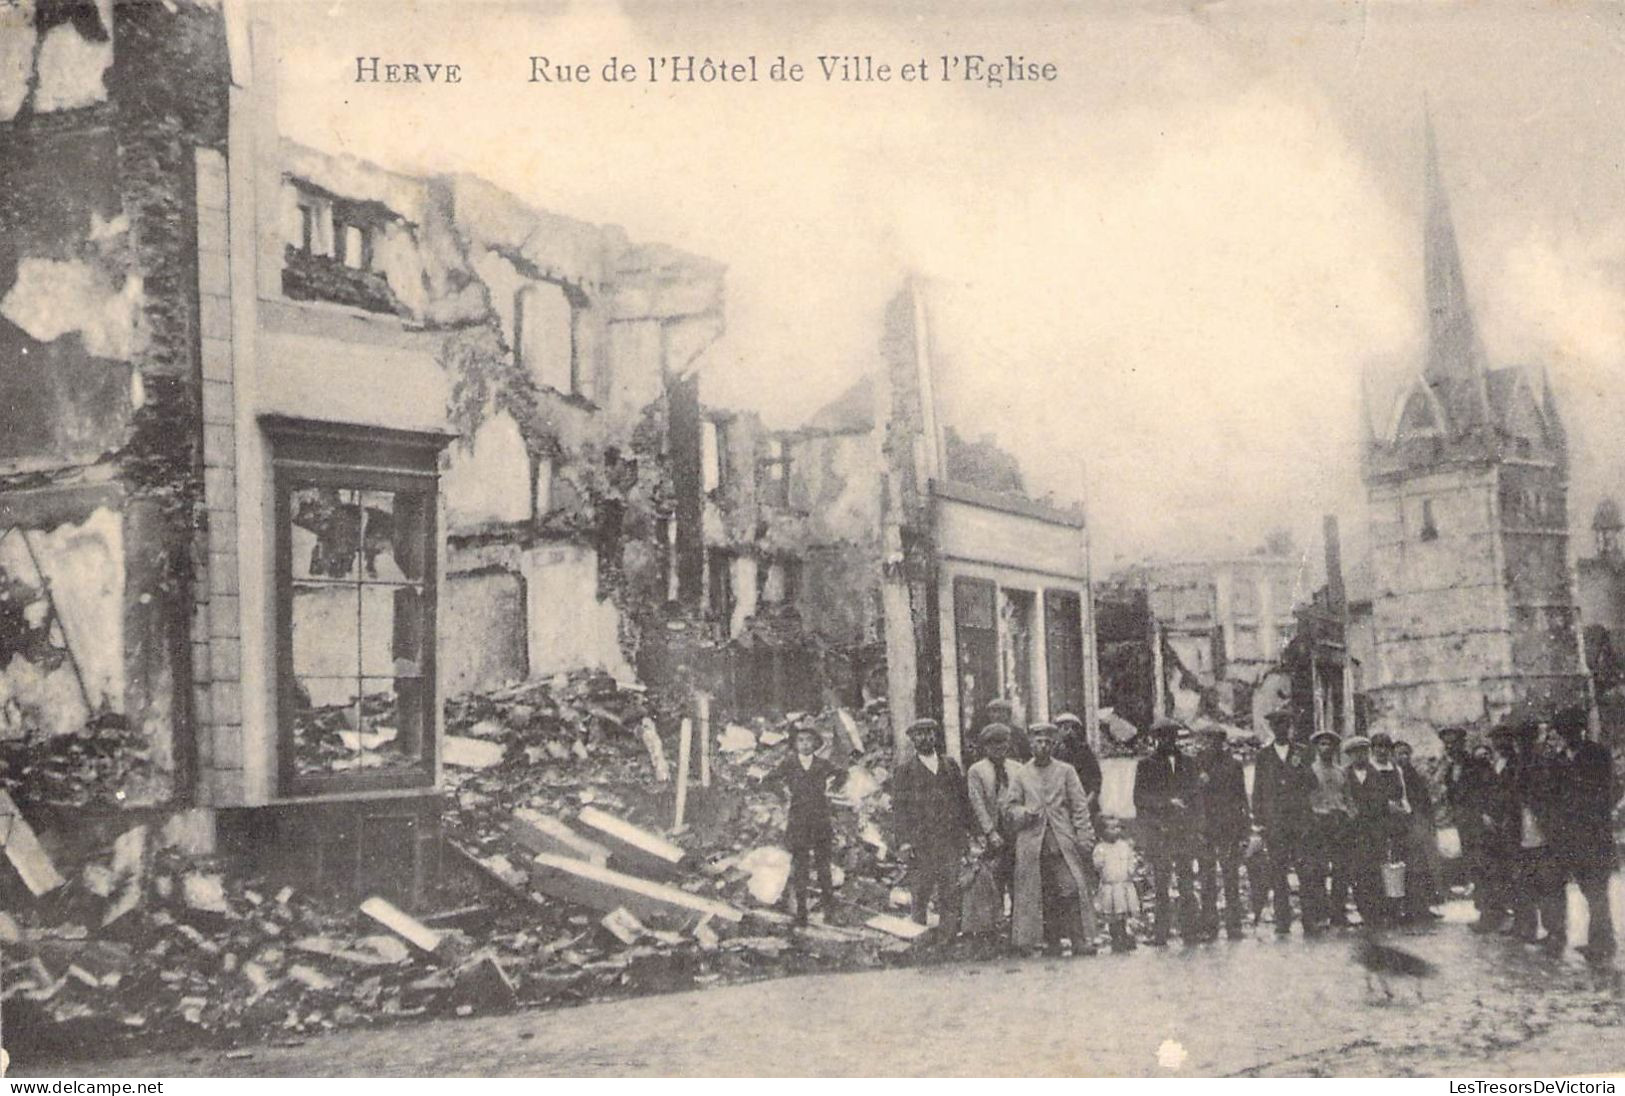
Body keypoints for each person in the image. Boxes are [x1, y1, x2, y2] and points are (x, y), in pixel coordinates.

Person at [1008, 722, 1098, 956]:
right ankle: (1052, 942)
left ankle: (1078, 939)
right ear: (1031, 744)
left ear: (1054, 744)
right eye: (1038, 741)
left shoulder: (1066, 771)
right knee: (1043, 892)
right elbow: (1010, 806)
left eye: (1048, 742)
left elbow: (1079, 806)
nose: (1043, 746)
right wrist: (1023, 814)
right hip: (1032, 842)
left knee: (1070, 888)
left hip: (1061, 840)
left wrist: (1084, 836)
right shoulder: (1021, 773)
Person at [894, 717, 973, 938]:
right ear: (912, 739)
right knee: (921, 891)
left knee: (950, 889)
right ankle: (918, 938)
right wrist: (904, 841)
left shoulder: (950, 765)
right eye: (919, 734)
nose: (925, 737)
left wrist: (967, 835)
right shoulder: (905, 771)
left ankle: (947, 939)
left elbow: (962, 801)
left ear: (935, 736)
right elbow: (899, 810)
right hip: (922, 842)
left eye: (929, 732)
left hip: (949, 839)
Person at [1551, 706, 1617, 963]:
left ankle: (1602, 942)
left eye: (1571, 729)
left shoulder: (1596, 754)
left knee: (1596, 888)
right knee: (1589, 889)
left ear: (1580, 729)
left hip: (1594, 832)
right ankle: (1599, 939)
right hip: (1573, 835)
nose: (1567, 734)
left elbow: (1607, 790)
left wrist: (1593, 812)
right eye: (1563, 730)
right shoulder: (1561, 757)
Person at [1134, 717, 1199, 945]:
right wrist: (1167, 802)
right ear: (1156, 739)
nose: (1168, 741)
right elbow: (1140, 798)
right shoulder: (1146, 765)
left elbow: (1197, 795)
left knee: (1186, 883)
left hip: (1184, 832)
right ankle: (1160, 934)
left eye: (1171, 736)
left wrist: (1190, 816)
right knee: (1161, 885)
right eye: (1162, 736)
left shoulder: (1190, 763)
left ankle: (1190, 932)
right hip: (1160, 832)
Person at [1251, 709, 1314, 935]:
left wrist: (1300, 767)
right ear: (1272, 728)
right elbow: (1258, 790)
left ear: (1290, 727)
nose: (1281, 729)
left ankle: (1310, 919)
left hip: (1299, 823)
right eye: (1276, 725)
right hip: (1274, 824)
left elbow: (1311, 784)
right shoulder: (1263, 755)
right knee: (1277, 874)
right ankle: (1282, 921)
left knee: (1305, 873)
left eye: (1284, 724)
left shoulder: (1302, 752)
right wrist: (1259, 820)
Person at [1509, 720, 1566, 951]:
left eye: (1526, 739)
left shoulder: (1544, 761)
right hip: (1523, 827)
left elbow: (1550, 794)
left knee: (1550, 883)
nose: (1523, 744)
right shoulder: (1520, 762)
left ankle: (1555, 931)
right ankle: (1533, 927)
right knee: (1529, 882)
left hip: (1543, 829)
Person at [776, 723, 838, 925]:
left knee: (823, 867)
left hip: (820, 820)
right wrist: (782, 793)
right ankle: (801, 912)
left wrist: (832, 788)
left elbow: (842, 774)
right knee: (800, 867)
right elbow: (767, 780)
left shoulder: (822, 764)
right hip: (799, 820)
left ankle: (829, 912)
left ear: (816, 743)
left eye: (809, 740)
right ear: (795, 743)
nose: (805, 744)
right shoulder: (788, 764)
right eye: (800, 740)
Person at [1192, 725, 1250, 941]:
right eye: (1207, 740)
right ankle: (1209, 925)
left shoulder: (1233, 765)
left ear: (1222, 742)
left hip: (1229, 827)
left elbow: (1241, 797)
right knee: (1207, 878)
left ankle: (1234, 925)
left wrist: (1244, 828)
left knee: (1230, 876)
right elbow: (1192, 795)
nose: (1211, 744)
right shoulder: (1196, 764)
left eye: (1215, 740)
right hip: (1205, 827)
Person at [1439, 724, 1498, 928]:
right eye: (1446, 744)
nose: (1449, 747)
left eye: (1453, 743)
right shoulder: (1450, 769)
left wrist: (1486, 814)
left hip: (1479, 824)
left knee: (1485, 866)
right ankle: (1483, 910)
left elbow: (1489, 791)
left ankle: (1491, 913)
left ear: (1462, 743)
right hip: (1464, 825)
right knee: (1474, 867)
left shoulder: (1476, 765)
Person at [965, 722, 1021, 915]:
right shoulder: (976, 770)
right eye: (993, 744)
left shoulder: (1017, 768)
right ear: (985, 747)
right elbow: (977, 803)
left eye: (1002, 742)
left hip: (1014, 832)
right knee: (993, 878)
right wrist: (990, 832)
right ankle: (994, 924)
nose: (998, 748)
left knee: (1017, 879)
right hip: (991, 834)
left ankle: (1016, 927)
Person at [1303, 728, 1354, 931]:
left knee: (1341, 869)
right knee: (1319, 869)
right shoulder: (1310, 771)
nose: (1326, 748)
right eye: (1322, 744)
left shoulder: (1341, 772)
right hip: (1319, 821)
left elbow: (1348, 798)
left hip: (1339, 821)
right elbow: (1305, 798)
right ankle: (1320, 913)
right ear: (1316, 747)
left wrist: (1349, 816)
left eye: (1330, 744)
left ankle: (1338, 913)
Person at [1393, 739, 1443, 920]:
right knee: (1404, 868)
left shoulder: (1413, 774)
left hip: (1418, 825)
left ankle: (1422, 906)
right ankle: (1405, 908)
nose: (1404, 757)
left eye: (1407, 753)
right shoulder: (1392, 775)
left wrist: (1427, 821)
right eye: (1400, 753)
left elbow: (1424, 799)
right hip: (1401, 827)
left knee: (1422, 867)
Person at [1342, 735, 1388, 926]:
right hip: (1353, 832)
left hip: (1374, 830)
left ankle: (1376, 912)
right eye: (1355, 753)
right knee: (1357, 872)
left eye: (1363, 752)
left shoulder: (1376, 774)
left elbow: (1382, 803)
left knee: (1375, 870)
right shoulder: (1344, 774)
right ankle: (1363, 908)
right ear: (1349, 756)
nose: (1360, 756)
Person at [1093, 816, 1140, 953]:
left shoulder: (1124, 846)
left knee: (1123, 913)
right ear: (1102, 832)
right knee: (1112, 915)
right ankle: (1116, 937)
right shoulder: (1101, 848)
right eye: (1112, 828)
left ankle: (1124, 935)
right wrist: (1100, 865)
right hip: (1110, 886)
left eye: (1118, 827)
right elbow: (1097, 865)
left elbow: (1131, 859)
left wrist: (1131, 870)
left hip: (1123, 884)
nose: (1116, 831)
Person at [1054, 711, 1104, 826]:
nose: (1070, 732)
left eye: (1073, 728)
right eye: (1065, 728)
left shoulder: (1084, 752)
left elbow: (1096, 781)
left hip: (1084, 802)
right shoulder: (1055, 752)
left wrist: (1087, 803)